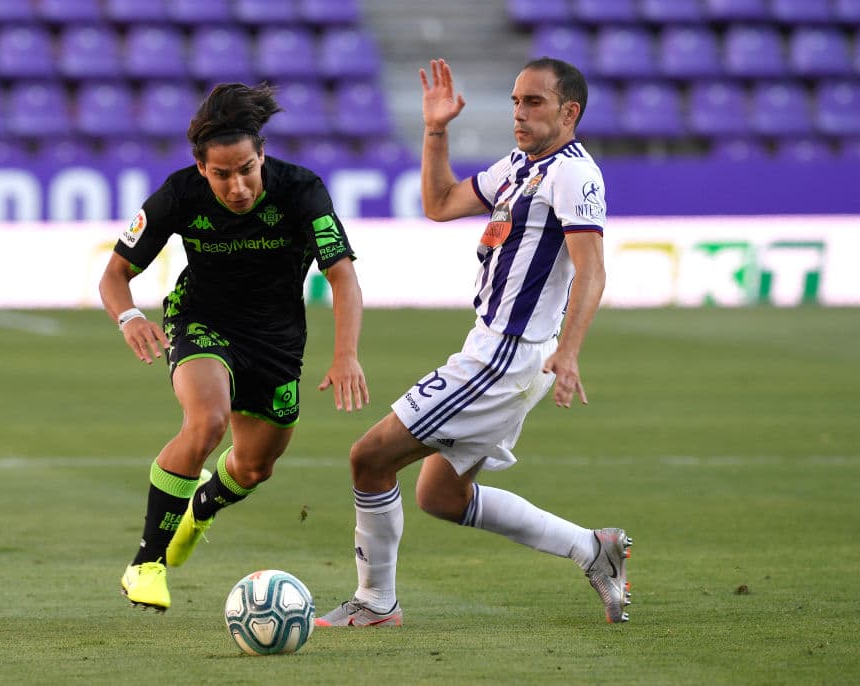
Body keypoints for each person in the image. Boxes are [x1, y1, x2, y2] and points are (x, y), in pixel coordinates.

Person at [316, 57, 631, 628]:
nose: (519, 113)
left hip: (505, 356)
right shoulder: (520, 166)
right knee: (441, 496)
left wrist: (569, 351)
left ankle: (376, 602)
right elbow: (439, 204)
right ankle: (593, 548)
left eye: (533, 102)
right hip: (495, 348)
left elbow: (592, 270)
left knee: (369, 457)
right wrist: (435, 130)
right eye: (515, 101)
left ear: (569, 112)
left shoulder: (572, 175)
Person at [100, 82, 369, 612]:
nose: (238, 185)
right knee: (207, 422)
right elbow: (115, 274)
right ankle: (146, 564)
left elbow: (341, 275)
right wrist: (129, 316)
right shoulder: (179, 194)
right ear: (202, 168)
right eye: (222, 174)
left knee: (252, 468)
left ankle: (200, 508)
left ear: (261, 155)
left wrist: (346, 355)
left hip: (276, 340)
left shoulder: (302, 190)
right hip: (202, 321)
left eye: (246, 169)